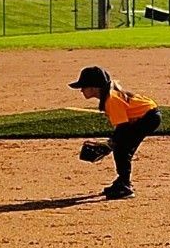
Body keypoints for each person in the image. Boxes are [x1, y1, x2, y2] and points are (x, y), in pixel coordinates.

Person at [69, 66, 162, 200]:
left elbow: (122, 127)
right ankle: (122, 182)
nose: (81, 90)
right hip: (146, 116)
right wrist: (112, 143)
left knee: (122, 149)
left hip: (148, 118)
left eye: (83, 86)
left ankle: (125, 186)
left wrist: (110, 144)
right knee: (121, 147)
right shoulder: (109, 96)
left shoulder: (111, 100)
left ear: (94, 87)